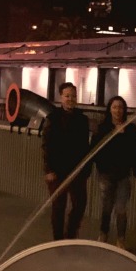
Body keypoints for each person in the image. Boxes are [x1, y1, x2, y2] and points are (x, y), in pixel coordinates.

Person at [40, 82, 91, 240]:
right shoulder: (53, 118)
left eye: (73, 96)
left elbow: (85, 146)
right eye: (67, 96)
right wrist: (49, 170)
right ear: (61, 97)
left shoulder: (82, 119)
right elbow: (46, 145)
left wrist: (86, 169)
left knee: (80, 204)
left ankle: (70, 235)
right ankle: (58, 240)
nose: (71, 99)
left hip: (77, 170)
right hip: (57, 170)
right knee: (59, 206)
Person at [91, 95, 136, 249]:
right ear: (109, 109)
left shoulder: (131, 129)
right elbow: (94, 149)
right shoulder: (103, 128)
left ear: (124, 110)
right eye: (114, 107)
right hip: (106, 174)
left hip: (123, 175)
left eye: (120, 107)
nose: (118, 110)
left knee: (121, 208)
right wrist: (100, 166)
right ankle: (103, 234)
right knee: (106, 206)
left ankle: (121, 239)